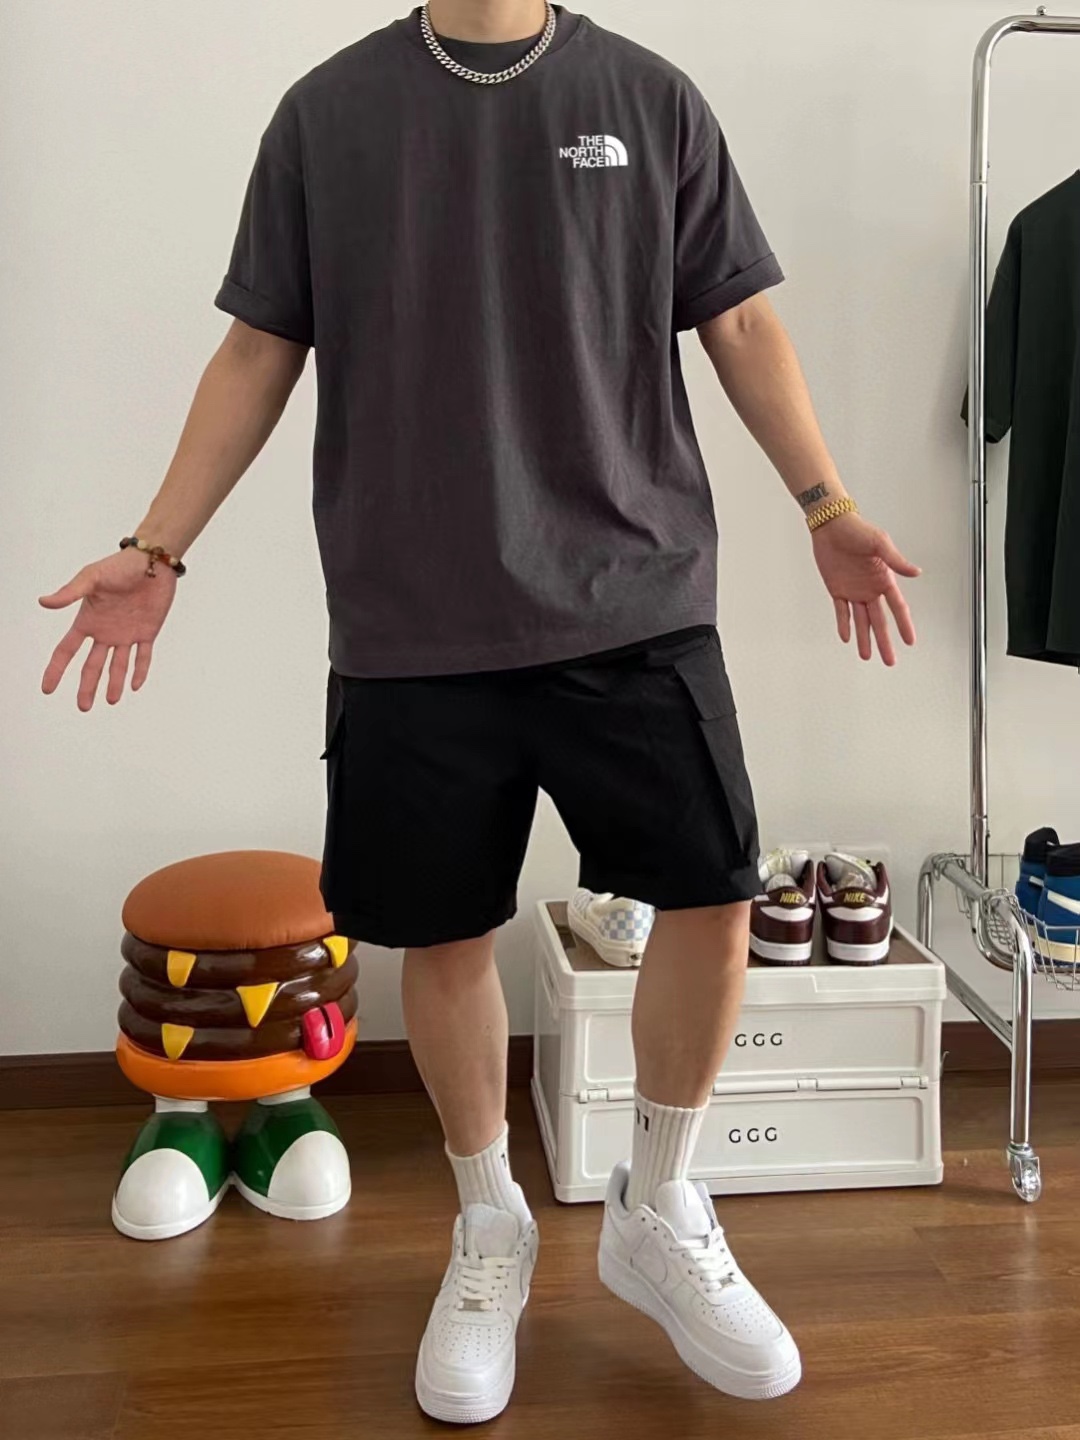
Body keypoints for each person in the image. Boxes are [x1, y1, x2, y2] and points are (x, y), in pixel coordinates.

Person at [40, 1, 918, 1423]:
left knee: (711, 894)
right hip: (413, 618)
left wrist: (827, 504)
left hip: (634, 592)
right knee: (444, 931)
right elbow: (258, 347)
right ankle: (488, 1222)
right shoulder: (328, 115)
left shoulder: (651, 98)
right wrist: (157, 547)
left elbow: (741, 316)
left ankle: (658, 1202)